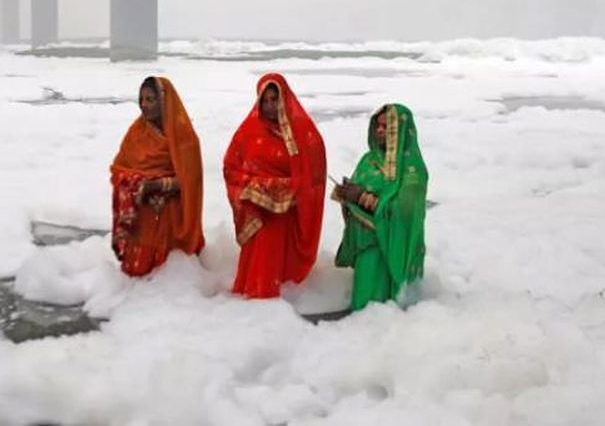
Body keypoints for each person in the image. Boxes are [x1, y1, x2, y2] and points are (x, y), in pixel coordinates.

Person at [223, 73, 326, 298]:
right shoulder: (247, 132)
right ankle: (256, 301)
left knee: (281, 270)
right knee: (261, 258)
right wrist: (257, 187)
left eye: (274, 100)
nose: (270, 106)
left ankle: (279, 301)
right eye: (265, 101)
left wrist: (293, 188)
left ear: (284, 99)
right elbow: (231, 167)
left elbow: (315, 174)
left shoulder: (303, 133)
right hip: (259, 213)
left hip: (288, 213)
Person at [332, 104, 428, 311]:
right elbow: (356, 194)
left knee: (382, 312)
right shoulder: (369, 160)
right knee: (363, 308)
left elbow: (405, 215)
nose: (380, 131)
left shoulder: (413, 172)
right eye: (378, 126)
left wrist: (362, 197)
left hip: (391, 251)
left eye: (387, 127)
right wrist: (347, 195)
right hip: (367, 248)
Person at [110, 76, 204, 276]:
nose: (144, 105)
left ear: (164, 102)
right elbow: (118, 168)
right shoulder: (136, 132)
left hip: (170, 214)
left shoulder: (185, 138)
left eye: (150, 99)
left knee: (166, 273)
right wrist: (133, 182)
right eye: (141, 100)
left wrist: (157, 185)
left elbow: (189, 184)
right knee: (138, 275)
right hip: (141, 213)